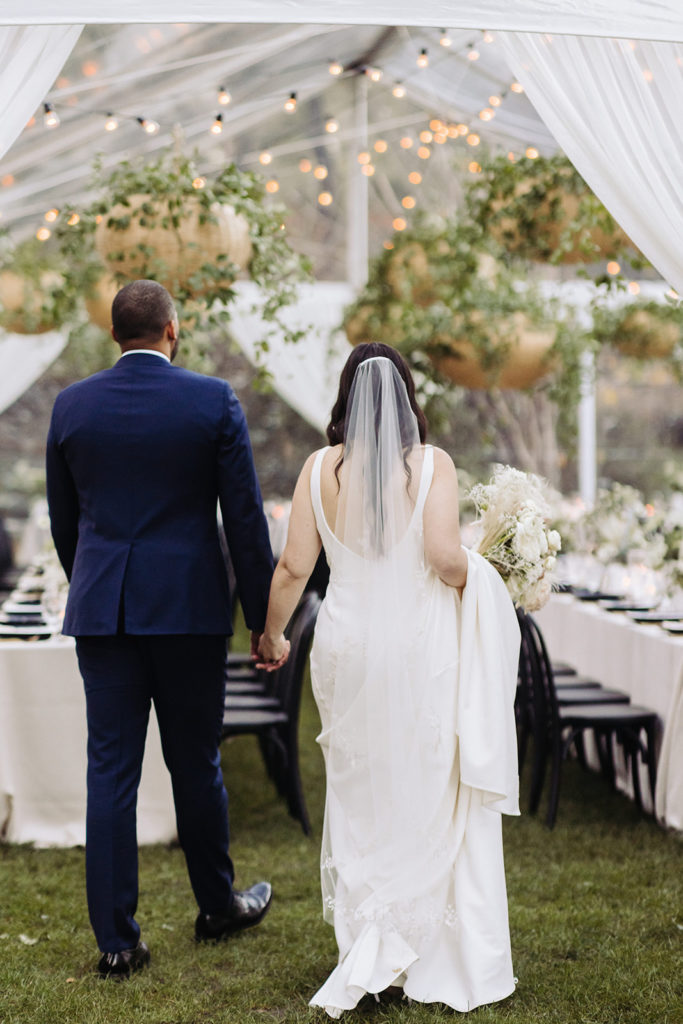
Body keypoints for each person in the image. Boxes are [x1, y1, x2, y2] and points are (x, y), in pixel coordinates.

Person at [257, 342, 521, 1016]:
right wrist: (492, 574)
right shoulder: (430, 466)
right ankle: (414, 944)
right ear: (407, 397)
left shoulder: (318, 470)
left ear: (346, 397)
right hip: (416, 644)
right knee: (425, 780)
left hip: (345, 647)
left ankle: (366, 940)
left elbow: (291, 568)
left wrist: (272, 633)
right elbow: (440, 557)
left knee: (358, 784)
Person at [46, 279, 278, 979]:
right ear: (171, 330)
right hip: (188, 611)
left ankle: (116, 943)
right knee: (195, 761)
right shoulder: (212, 400)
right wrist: (265, 623)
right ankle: (217, 906)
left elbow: (65, 525)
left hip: (105, 611)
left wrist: (94, 581)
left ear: (114, 334)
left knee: (110, 771)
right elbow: (244, 520)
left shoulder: (71, 405)